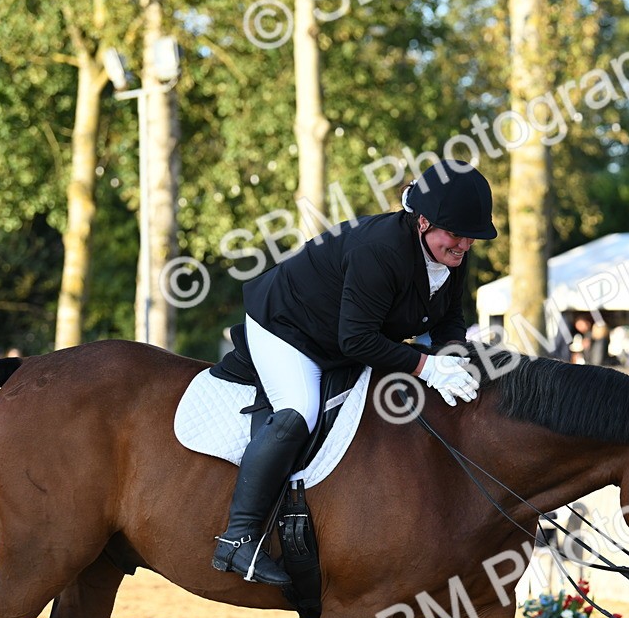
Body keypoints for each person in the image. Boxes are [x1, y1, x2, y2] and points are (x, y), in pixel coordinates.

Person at [212, 159, 498, 586]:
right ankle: (239, 540)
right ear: (422, 222)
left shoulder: (449, 255)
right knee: (299, 412)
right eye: (455, 235)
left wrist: (453, 357)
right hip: (289, 328)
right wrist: (426, 365)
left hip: (344, 335)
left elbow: (449, 320)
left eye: (470, 238)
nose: (462, 246)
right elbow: (357, 342)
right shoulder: (380, 250)